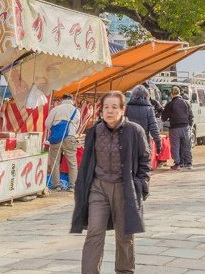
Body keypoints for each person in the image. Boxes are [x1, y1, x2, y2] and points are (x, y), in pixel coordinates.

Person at [71, 91, 150, 274]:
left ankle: (125, 271)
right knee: (94, 233)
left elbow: (144, 160)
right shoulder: (94, 131)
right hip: (98, 188)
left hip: (125, 189)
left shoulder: (134, 131)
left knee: (124, 235)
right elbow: (87, 161)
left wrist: (141, 185)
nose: (110, 111)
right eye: (106, 107)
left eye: (114, 107)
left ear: (123, 109)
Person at [47, 94, 82, 191]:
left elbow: (47, 123)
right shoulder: (76, 111)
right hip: (70, 136)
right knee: (72, 162)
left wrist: (55, 130)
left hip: (56, 137)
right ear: (72, 100)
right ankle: (72, 186)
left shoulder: (56, 109)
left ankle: (56, 185)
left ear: (62, 100)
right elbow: (77, 125)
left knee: (55, 161)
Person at [160, 86, 193, 170]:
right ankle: (189, 163)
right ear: (179, 93)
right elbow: (191, 116)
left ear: (171, 94)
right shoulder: (186, 103)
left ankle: (177, 164)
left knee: (175, 146)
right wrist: (189, 126)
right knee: (186, 146)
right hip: (185, 127)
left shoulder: (170, 104)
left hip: (174, 128)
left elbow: (163, 117)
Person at [126, 85, 162, 157]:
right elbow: (154, 128)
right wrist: (158, 143)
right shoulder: (149, 109)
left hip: (129, 142)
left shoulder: (127, 108)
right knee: (144, 165)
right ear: (147, 95)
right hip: (144, 142)